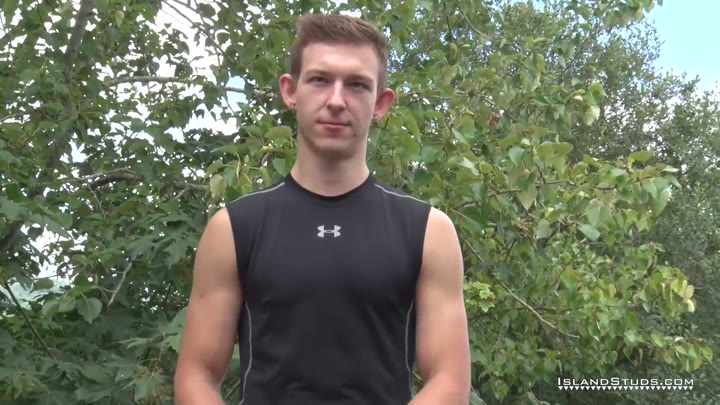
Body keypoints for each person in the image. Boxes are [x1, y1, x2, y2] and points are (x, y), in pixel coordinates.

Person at [173, 12, 471, 405]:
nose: (336, 100)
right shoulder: (235, 228)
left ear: (381, 103)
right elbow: (196, 375)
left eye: (357, 85)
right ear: (290, 90)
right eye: (319, 80)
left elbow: (449, 381)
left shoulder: (427, 231)